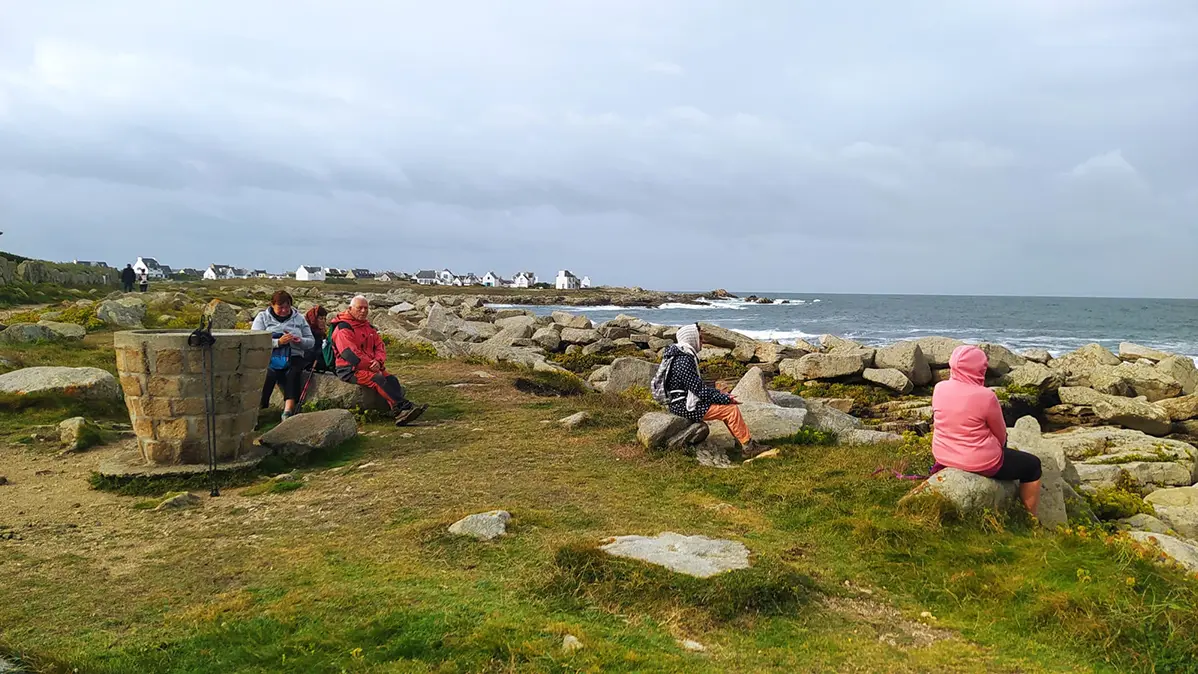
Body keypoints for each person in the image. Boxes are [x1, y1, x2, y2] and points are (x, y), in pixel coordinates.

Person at [932, 344, 1042, 518]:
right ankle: (1031, 519)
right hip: (980, 462)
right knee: (1033, 466)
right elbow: (1000, 434)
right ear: (980, 369)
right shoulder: (986, 396)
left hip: (943, 455)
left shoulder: (939, 388)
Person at [654, 323, 768, 458]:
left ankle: (742, 442)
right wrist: (724, 398)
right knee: (730, 409)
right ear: (691, 338)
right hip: (683, 406)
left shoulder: (679, 356)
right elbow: (699, 391)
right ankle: (748, 447)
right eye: (699, 338)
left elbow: (696, 387)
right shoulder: (684, 360)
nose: (702, 341)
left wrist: (720, 394)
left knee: (727, 406)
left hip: (678, 402)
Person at [330, 295, 428, 426]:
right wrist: (371, 365)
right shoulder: (343, 328)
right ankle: (402, 407)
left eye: (366, 308)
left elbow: (379, 346)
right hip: (350, 369)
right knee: (378, 379)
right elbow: (350, 354)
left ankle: (398, 412)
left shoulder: (367, 327)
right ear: (350, 308)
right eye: (360, 308)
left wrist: (378, 361)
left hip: (372, 365)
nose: (363, 311)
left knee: (392, 379)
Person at [251, 290, 315, 420]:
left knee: (292, 372)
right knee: (269, 374)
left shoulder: (299, 318)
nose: (285, 310)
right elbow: (255, 340)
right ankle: (259, 409)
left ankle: (288, 410)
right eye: (280, 307)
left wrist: (300, 341)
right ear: (272, 305)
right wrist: (278, 342)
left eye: (287, 307)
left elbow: (311, 341)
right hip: (270, 355)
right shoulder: (262, 317)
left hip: (294, 355)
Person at [303, 305, 330, 372]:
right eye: (320, 319)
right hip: (311, 364)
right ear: (313, 319)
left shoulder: (321, 333)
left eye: (324, 319)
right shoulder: (308, 333)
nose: (323, 321)